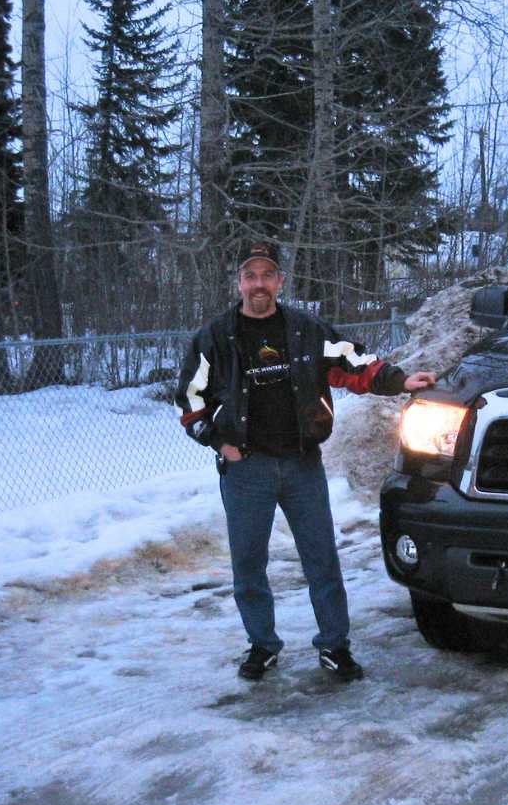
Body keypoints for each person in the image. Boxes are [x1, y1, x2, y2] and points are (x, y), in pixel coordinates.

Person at [175, 240, 436, 682]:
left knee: (321, 559)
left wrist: (400, 380)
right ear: (239, 282)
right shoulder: (214, 338)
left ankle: (334, 645)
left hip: (302, 464)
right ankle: (262, 645)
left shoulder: (306, 330)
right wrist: (219, 442)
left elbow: (356, 364)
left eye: (267, 275)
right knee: (248, 565)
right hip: (246, 469)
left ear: (280, 281)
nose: (259, 284)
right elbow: (189, 400)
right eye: (250, 276)